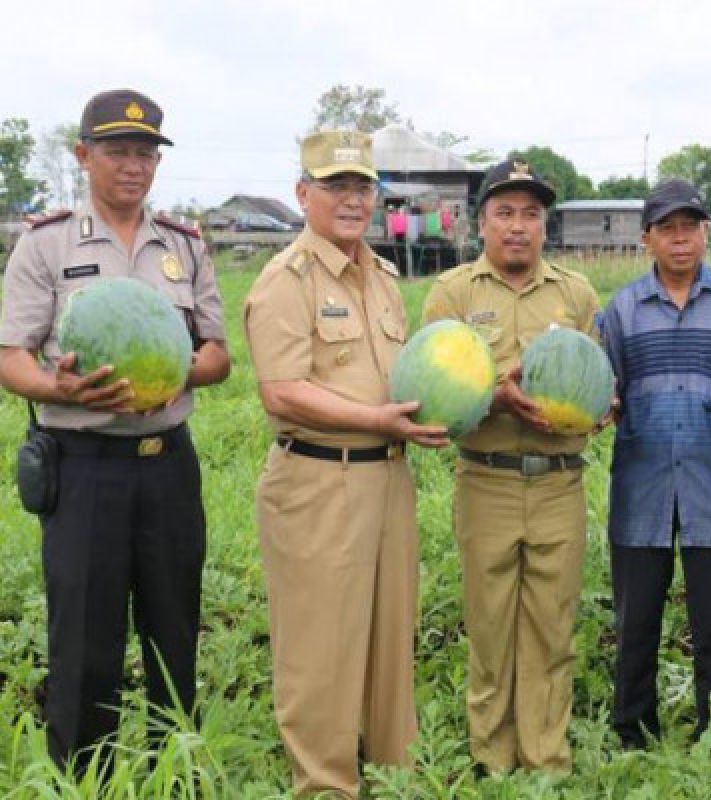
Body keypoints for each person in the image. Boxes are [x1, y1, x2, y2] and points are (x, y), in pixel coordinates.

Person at [0, 89, 229, 773]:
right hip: (84, 464)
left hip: (167, 465)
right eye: (117, 151)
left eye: (145, 153)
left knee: (173, 626)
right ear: (84, 155)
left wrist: (180, 372)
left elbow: (217, 351)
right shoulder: (45, 243)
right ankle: (82, 777)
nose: (133, 166)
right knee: (85, 638)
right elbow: (12, 355)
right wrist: (56, 388)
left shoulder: (183, 246)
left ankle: (172, 770)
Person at [243, 131, 449, 798]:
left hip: (388, 478)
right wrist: (376, 420)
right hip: (317, 480)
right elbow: (282, 390)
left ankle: (393, 775)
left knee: (392, 640)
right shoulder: (287, 280)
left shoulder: (384, 277)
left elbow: (400, 373)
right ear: (303, 194)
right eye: (336, 186)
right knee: (321, 652)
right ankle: (326, 786)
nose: (352, 199)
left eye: (363, 187)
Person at [422, 159, 601, 773]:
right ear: (482, 223)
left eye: (531, 214)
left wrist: (595, 409)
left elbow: (596, 381)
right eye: (505, 213)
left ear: (544, 225)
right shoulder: (454, 293)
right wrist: (496, 393)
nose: (518, 226)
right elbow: (432, 396)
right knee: (490, 626)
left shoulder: (575, 293)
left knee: (553, 629)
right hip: (486, 478)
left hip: (558, 483)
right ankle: (490, 757)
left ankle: (546, 759)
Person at [599, 179, 711, 748]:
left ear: (705, 233)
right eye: (667, 228)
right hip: (640, 487)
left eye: (690, 226)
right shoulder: (620, 311)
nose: (680, 239)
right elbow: (608, 396)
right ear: (647, 238)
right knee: (636, 621)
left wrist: (701, 427)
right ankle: (631, 732)